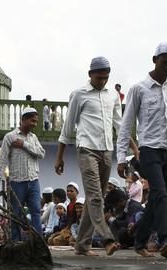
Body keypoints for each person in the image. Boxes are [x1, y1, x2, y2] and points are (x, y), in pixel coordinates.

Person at [117, 42, 167, 259]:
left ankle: (139, 240)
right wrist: (121, 157)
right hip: (148, 149)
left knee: (157, 198)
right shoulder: (139, 89)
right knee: (160, 192)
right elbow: (126, 123)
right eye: (165, 62)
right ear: (154, 60)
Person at [55, 56, 123, 256]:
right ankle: (108, 239)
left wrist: (133, 149)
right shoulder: (79, 94)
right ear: (90, 75)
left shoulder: (113, 95)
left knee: (98, 197)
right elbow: (68, 128)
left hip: (107, 150)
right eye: (99, 77)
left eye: (106, 78)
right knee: (94, 197)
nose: (102, 81)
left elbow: (120, 125)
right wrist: (59, 156)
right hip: (86, 149)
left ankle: (82, 245)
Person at [0, 107, 46, 240]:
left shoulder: (33, 137)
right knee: (15, 214)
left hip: (33, 181)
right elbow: (2, 160)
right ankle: (16, 242)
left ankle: (38, 241)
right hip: (17, 183)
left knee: (36, 212)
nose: (35, 124)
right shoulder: (10, 137)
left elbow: (42, 154)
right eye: (32, 121)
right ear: (23, 119)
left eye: (36, 122)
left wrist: (25, 145)